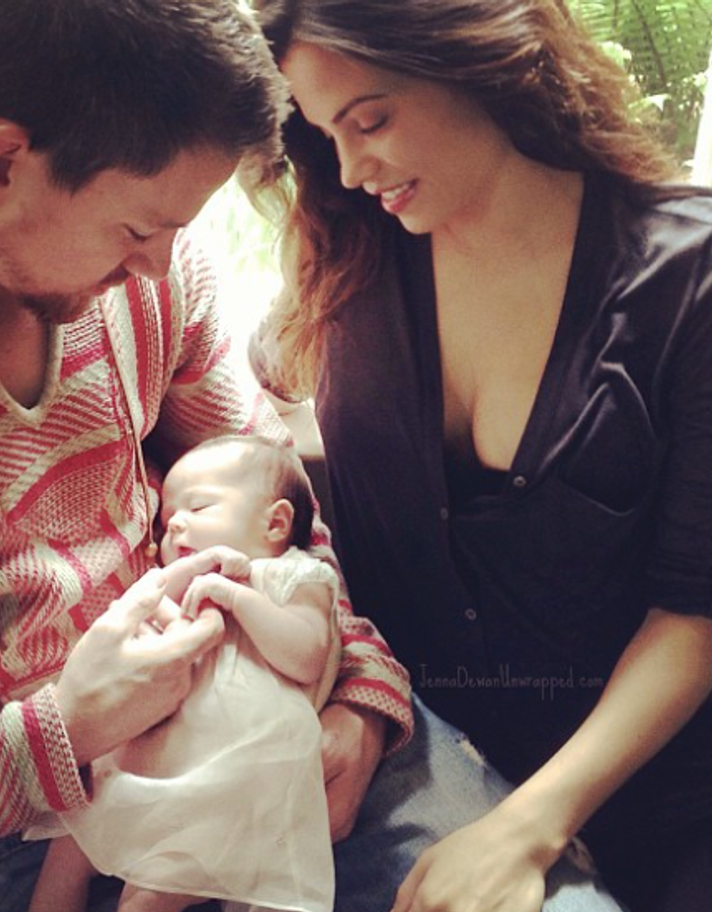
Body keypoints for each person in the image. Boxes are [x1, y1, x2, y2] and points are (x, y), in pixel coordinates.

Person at [0, 3, 416, 912]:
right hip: (17, 838)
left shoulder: (149, 274)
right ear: (0, 166)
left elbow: (275, 506)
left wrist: (357, 694)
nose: (161, 269)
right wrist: (62, 732)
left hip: (269, 716)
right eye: (138, 233)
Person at [247, 1, 712, 911]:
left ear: (476, 59)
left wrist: (527, 827)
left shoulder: (686, 282)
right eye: (325, 135)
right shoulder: (349, 258)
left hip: (652, 796)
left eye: (371, 120)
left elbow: (694, 615)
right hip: (421, 766)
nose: (351, 167)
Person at [28, 435, 340, 912]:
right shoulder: (184, 581)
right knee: (71, 841)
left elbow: (307, 654)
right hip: (157, 746)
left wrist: (238, 597)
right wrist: (190, 573)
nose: (174, 523)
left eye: (199, 506)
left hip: (241, 761)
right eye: (166, 518)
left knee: (161, 885)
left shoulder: (292, 575)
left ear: (275, 522)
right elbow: (144, 608)